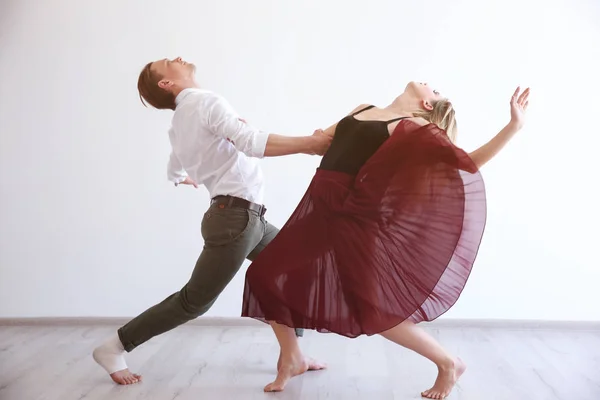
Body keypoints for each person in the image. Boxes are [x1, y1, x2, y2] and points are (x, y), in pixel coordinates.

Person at [242, 82, 530, 398]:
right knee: (263, 275)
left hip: (354, 217)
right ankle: (293, 358)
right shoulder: (362, 109)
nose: (430, 85)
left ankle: (448, 363)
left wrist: (513, 126)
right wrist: (252, 135)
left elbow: (464, 164)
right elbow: (318, 143)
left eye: (434, 91)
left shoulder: (412, 127)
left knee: (372, 309)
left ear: (427, 106)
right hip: (318, 207)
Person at [92, 57, 331, 385]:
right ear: (166, 83)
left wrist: (186, 177)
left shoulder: (179, 123)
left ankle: (293, 356)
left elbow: (174, 169)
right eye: (167, 62)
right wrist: (310, 144)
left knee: (294, 271)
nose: (176, 58)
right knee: (193, 302)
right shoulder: (206, 102)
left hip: (247, 218)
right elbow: (250, 142)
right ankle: (113, 347)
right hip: (235, 219)